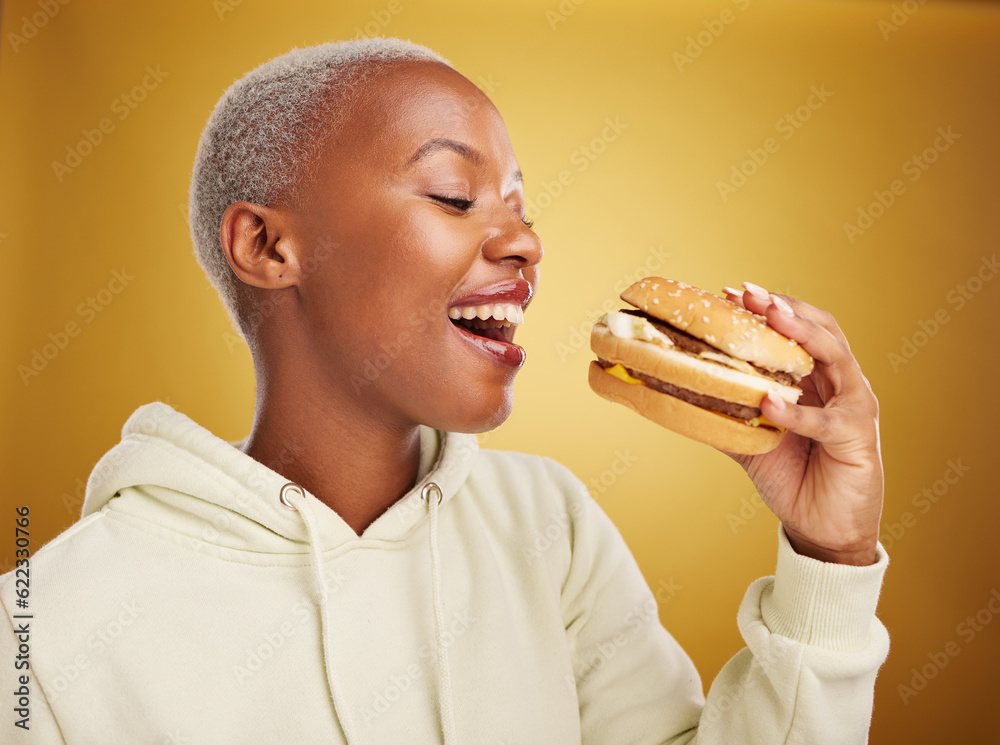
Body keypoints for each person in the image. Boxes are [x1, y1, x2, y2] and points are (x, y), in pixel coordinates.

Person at [1, 38, 888, 743]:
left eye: (520, 206)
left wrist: (831, 562)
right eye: (455, 195)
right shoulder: (42, 635)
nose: (525, 244)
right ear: (269, 248)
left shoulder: (547, 524)